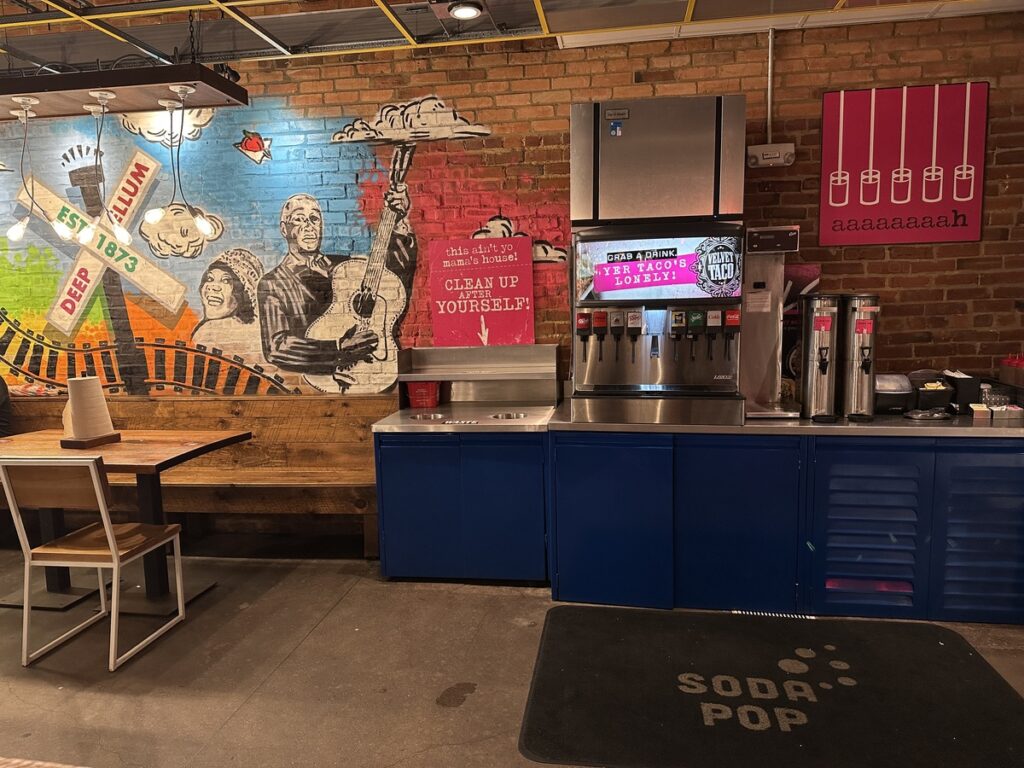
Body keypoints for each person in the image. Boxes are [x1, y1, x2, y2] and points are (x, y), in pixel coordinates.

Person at [257, 190, 416, 379]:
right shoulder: (273, 283)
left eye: (314, 219)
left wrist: (397, 225)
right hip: (317, 382)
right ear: (284, 229)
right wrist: (338, 347)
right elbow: (277, 347)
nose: (309, 227)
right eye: (299, 219)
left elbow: (391, 283)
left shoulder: (346, 266)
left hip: (371, 367)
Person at [191, 249, 271, 372]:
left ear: (244, 292)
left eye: (226, 280)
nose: (213, 287)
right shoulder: (263, 332)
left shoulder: (209, 332)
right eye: (210, 278)